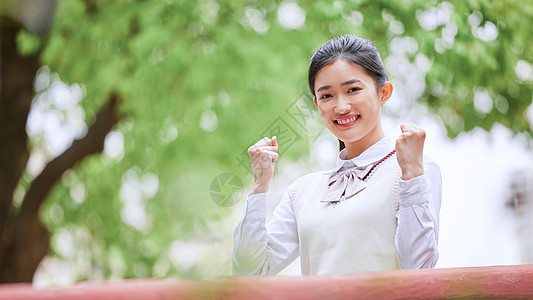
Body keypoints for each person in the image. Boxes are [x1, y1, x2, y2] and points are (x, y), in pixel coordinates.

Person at [233, 35, 442, 276]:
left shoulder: (415, 170)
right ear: (316, 105)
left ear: (383, 92)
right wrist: (260, 184)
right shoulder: (302, 191)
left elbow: (418, 267)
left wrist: (412, 174)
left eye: (353, 90)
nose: (341, 107)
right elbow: (249, 272)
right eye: (327, 96)